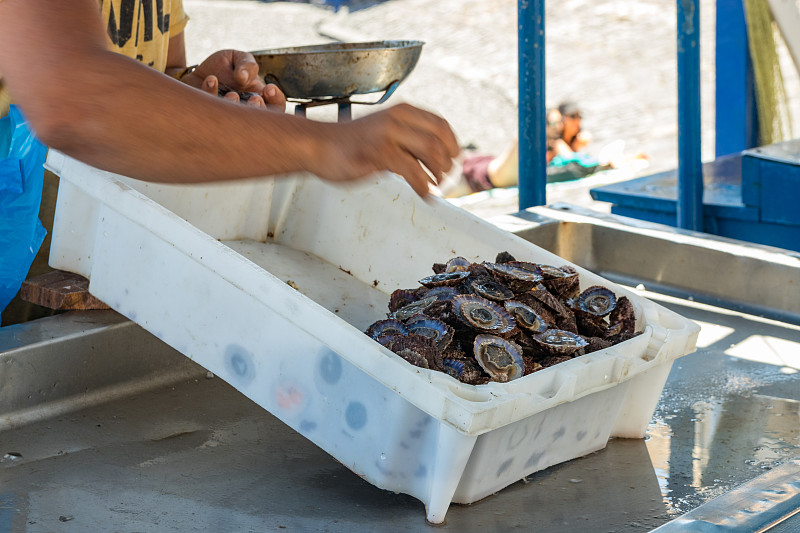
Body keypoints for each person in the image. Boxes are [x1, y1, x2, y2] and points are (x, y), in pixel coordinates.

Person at [0, 0, 459, 323]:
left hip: (92, 224)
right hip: (34, 203)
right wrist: (322, 145)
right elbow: (74, 99)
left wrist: (197, 88)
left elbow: (160, 70)